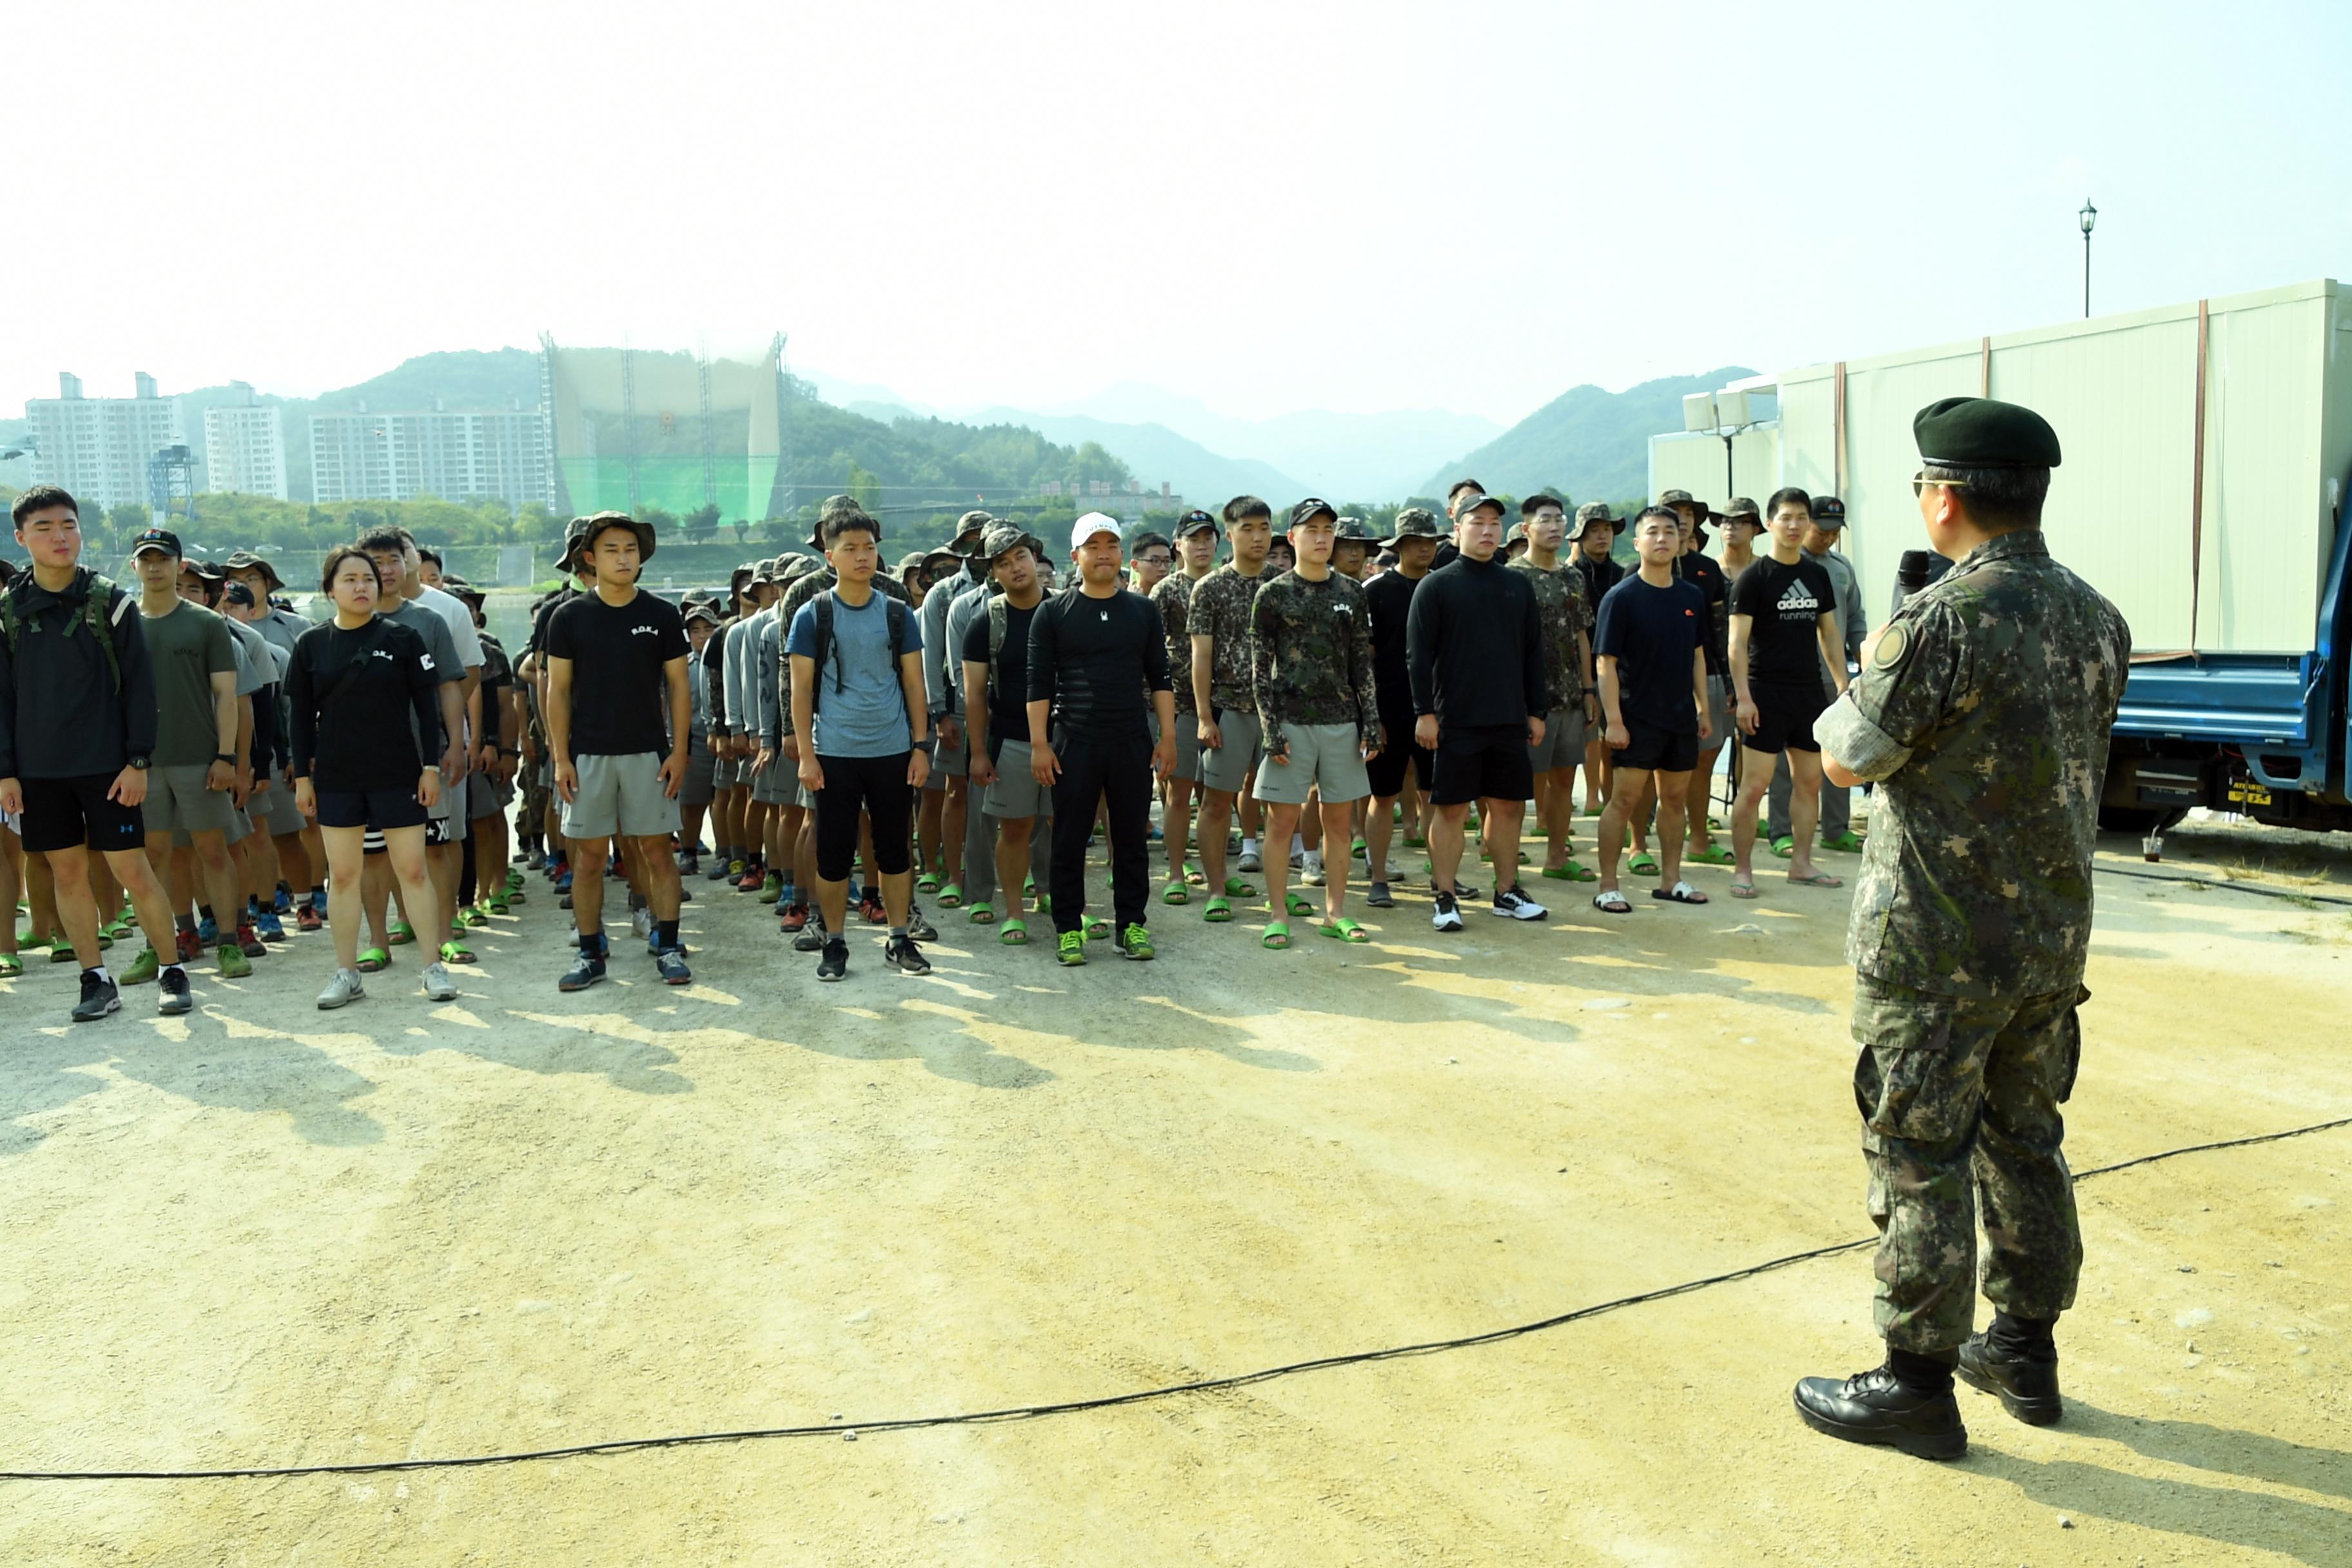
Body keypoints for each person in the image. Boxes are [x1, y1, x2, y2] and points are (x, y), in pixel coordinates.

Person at [1794, 396, 2130, 1460]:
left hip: (1937, 944)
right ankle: (2021, 1351)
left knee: (1914, 1147)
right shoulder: (2095, 615)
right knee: (2024, 1135)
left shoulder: (1939, 617)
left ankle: (1913, 1381)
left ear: (1942, 495)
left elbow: (1847, 755)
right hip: (2046, 940)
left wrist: (1872, 661)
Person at [0, 491, 186, 1020]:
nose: (59, 537)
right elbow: (3, 698)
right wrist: (5, 772)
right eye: (44, 528)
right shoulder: (8, 612)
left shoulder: (110, 601)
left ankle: (172, 970)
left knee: (133, 870)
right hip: (39, 772)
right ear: (21, 538)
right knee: (67, 875)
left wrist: (138, 760)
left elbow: (141, 689)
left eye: (68, 525)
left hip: (110, 768)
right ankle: (95, 979)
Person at [287, 547, 456, 1007]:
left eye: (368, 578)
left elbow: (427, 706)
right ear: (329, 590)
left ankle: (432, 966)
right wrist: (302, 777)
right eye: (349, 579)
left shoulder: (403, 638)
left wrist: (431, 766)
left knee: (414, 871)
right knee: (343, 876)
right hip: (338, 777)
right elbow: (300, 718)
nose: (361, 586)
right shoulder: (311, 645)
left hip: (398, 772)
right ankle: (346, 973)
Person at [544, 511, 694, 990]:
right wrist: (562, 758)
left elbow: (678, 687)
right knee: (587, 859)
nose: (623, 557)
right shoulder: (567, 617)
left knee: (656, 852)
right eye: (611, 550)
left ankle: (668, 946)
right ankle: (591, 954)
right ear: (589, 558)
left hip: (648, 754)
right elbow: (557, 691)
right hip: (587, 755)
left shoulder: (661, 615)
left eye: (630, 549)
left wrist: (679, 751)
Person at [788, 505, 931, 982]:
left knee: (894, 850)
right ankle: (834, 941)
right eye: (850, 548)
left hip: (891, 749)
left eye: (869, 547)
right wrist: (807, 756)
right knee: (833, 854)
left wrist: (920, 745)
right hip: (834, 752)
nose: (862, 556)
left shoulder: (896, 613)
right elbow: (801, 690)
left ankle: (897, 938)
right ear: (830, 556)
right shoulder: (813, 614)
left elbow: (915, 683)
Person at [1025, 513, 1175, 965]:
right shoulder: (1052, 613)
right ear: (1076, 556)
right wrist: (1039, 744)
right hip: (1074, 741)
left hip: (1130, 737)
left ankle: (1131, 926)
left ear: (1122, 554)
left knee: (1130, 838)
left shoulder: (1143, 610)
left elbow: (1160, 678)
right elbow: (1038, 685)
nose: (1104, 553)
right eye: (1094, 546)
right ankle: (1069, 928)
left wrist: (1167, 737)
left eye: (1111, 544)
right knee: (1069, 839)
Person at [1405, 492, 1548, 930]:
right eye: (1477, 522)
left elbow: (1532, 653)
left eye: (1494, 524)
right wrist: (1425, 713)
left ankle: (1506, 891)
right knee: (1450, 810)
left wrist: (1536, 710)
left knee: (1508, 807)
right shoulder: (1437, 585)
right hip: (1455, 719)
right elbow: (1417, 655)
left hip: (1507, 717)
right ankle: (1445, 896)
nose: (1487, 531)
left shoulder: (1517, 585)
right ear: (1458, 529)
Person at [129, 530, 260, 979]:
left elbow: (227, 695)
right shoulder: (122, 622)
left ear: (179, 565)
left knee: (213, 849)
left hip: (198, 758)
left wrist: (226, 756)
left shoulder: (206, 623)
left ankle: (228, 940)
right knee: (154, 854)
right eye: (145, 559)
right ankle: (158, 944)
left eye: (163, 559)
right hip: (142, 761)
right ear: (134, 567)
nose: (154, 567)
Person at [1249, 499, 1378, 946]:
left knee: (1338, 823)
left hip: (1342, 722)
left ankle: (1335, 913)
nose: (1322, 538)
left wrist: (1372, 722)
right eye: (1311, 530)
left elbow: (1362, 663)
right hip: (1291, 722)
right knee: (1282, 823)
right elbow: (1260, 668)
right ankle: (1279, 913)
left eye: (1328, 530)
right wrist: (1270, 729)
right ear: (1293, 538)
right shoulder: (1273, 594)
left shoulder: (1351, 592)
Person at [1725, 489, 1849, 899]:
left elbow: (1829, 634)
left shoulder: (1817, 575)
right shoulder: (1754, 578)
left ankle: (1801, 863)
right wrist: (1743, 697)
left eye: (1801, 518)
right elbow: (1737, 644)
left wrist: (1843, 688)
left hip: (1809, 693)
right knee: (1755, 786)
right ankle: (1743, 869)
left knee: (1810, 783)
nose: (1795, 526)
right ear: (1770, 524)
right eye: (1786, 518)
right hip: (1764, 693)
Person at [1591, 507, 1712, 913]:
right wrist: (1614, 721)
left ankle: (1671, 880)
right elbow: (1604, 663)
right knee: (1624, 800)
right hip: (1635, 717)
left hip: (1679, 718)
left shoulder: (1692, 596)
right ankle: (1609, 885)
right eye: (1653, 533)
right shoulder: (1621, 597)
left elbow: (1697, 656)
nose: (1662, 539)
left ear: (1680, 541)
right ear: (1638, 542)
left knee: (1674, 799)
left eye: (1670, 533)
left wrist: (1703, 709)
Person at [359, 531, 469, 970]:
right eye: (374, 562)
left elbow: (449, 686)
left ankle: (445, 933)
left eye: (392, 559)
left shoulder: (429, 621)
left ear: (407, 564)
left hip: (426, 753)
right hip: (367, 759)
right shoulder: (343, 625)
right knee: (373, 852)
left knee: (438, 844)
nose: (385, 569)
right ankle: (379, 940)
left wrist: (456, 744)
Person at [961, 522, 1055, 946]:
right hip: (1011, 741)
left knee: (1063, 825)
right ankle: (1014, 911)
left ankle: (1063, 901)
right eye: (1003, 562)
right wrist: (979, 752)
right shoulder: (986, 622)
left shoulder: (1065, 610)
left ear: (1035, 557)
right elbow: (976, 695)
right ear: (993, 572)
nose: (1015, 567)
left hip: (1064, 740)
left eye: (1021, 556)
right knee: (1014, 829)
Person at [1187, 495, 1276, 923]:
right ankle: (1217, 887)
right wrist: (1204, 717)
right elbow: (1200, 657)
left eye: (1264, 528)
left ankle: (1279, 893)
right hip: (1229, 710)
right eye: (1247, 529)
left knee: (1282, 806)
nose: (1257, 537)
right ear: (1230, 534)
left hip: (1279, 714)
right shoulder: (1211, 588)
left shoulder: (1285, 583)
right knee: (1217, 803)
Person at [1769, 493, 1870, 858]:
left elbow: (1855, 617)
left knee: (1838, 753)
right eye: (1822, 529)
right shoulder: (1786, 568)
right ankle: (1781, 830)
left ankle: (1835, 828)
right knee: (1785, 758)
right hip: (1790, 677)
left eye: (1834, 532)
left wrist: (1859, 659)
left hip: (1834, 677)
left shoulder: (1841, 568)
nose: (1827, 537)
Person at [1510, 495, 1599, 885]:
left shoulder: (1573, 576)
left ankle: (1557, 857)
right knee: (1514, 786)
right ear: (1527, 528)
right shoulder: (1512, 577)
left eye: (1559, 520)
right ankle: (1506, 861)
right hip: (1526, 700)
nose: (1555, 526)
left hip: (1568, 697)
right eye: (1545, 520)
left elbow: (1582, 636)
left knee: (1564, 779)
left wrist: (1589, 689)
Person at [1361, 507, 1442, 908]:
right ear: (1401, 546)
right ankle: (1378, 877)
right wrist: (1371, 717)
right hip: (1389, 709)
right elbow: (1366, 659)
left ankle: (1441, 878)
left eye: (1431, 541)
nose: (1425, 548)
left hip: (1437, 709)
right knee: (1384, 795)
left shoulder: (1444, 587)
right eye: (1416, 542)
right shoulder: (1376, 591)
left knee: (1436, 797)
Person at [1148, 509, 1219, 904]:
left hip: (1223, 702)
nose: (1202, 544)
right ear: (1179, 545)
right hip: (1180, 703)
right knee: (1179, 795)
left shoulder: (1228, 584)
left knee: (1217, 796)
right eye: (1194, 538)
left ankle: (1216, 876)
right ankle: (1176, 871)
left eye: (1208, 537)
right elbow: (1148, 652)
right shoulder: (1166, 591)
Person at [919, 513, 991, 903]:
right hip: (957, 708)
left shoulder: (1014, 585)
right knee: (955, 793)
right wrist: (939, 714)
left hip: (1006, 708)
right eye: (971, 539)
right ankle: (951, 871)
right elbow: (932, 656)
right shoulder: (944, 594)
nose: (978, 546)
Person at [1565, 502, 1623, 816]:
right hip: (1578, 667)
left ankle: (1610, 798)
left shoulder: (1623, 573)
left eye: (1607, 529)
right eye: (1594, 530)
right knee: (1584, 737)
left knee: (1613, 737)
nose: (1602, 536)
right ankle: (1589, 797)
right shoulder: (1570, 575)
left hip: (1618, 665)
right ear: (1581, 536)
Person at [1718, 496, 1763, 578]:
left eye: (1738, 522)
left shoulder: (1764, 570)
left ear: (1755, 530)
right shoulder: (1710, 569)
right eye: (1726, 521)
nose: (1730, 527)